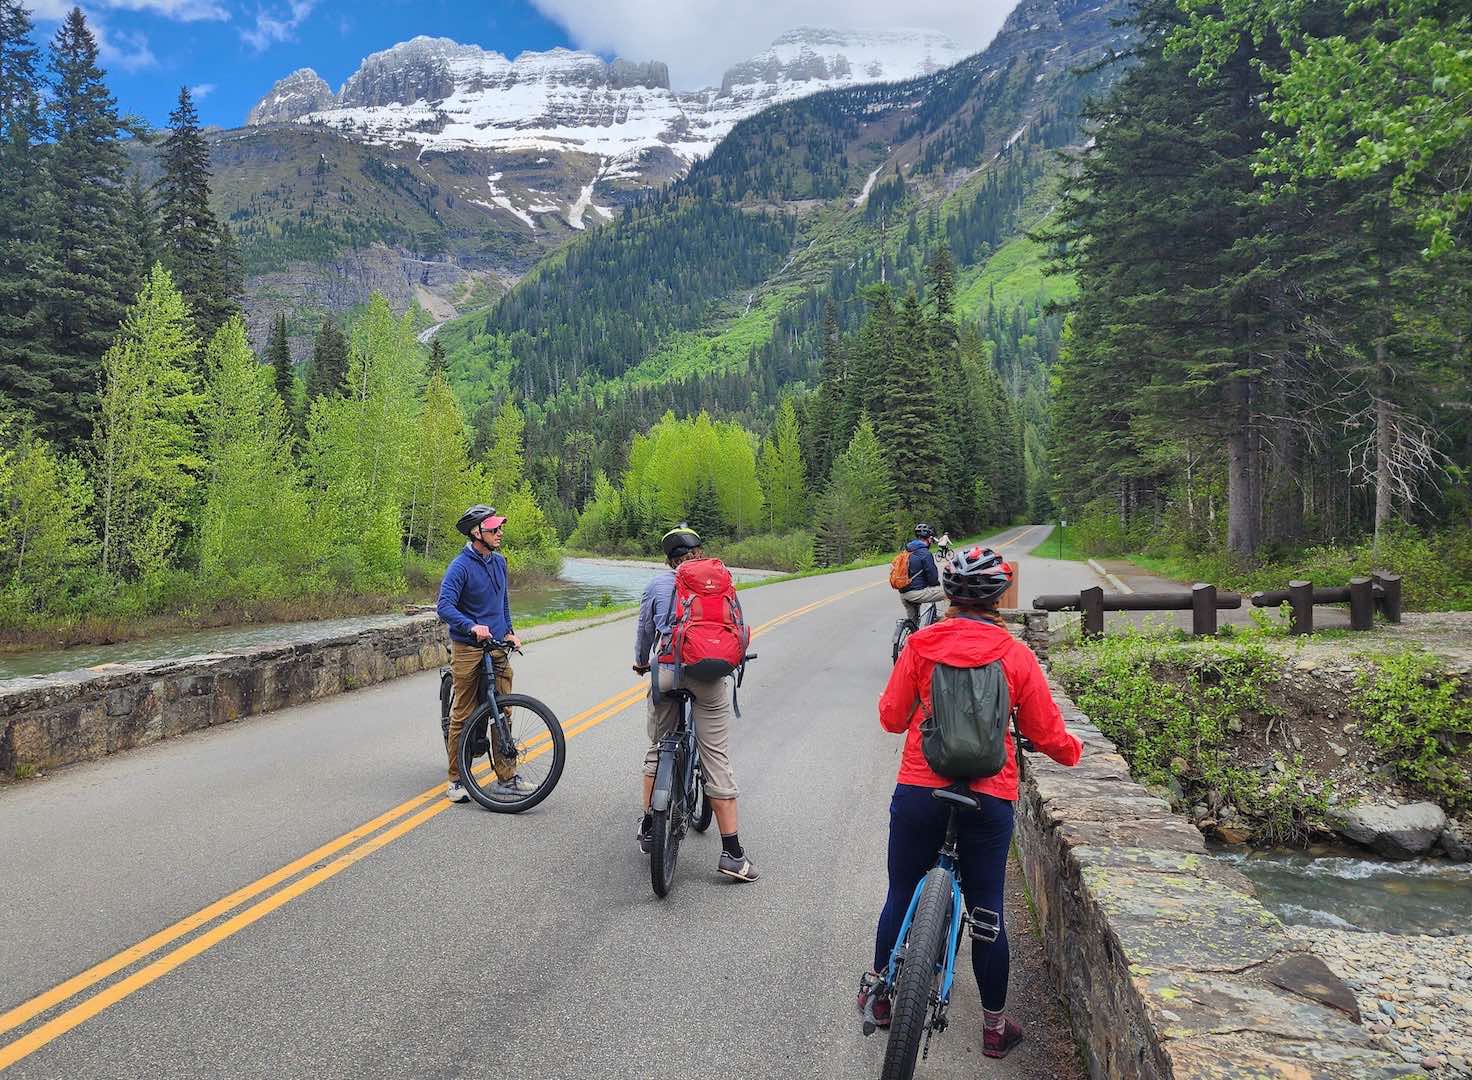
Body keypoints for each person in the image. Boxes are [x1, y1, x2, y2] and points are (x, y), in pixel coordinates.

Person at [859, 545, 1082, 1059]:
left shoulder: (920, 644)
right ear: (998, 599)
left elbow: (892, 719)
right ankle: (994, 1027)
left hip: (920, 788)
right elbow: (1045, 732)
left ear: (949, 595)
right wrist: (1074, 752)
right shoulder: (1016, 655)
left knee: (901, 891)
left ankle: (879, 994)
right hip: (989, 794)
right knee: (988, 912)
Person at [632, 525, 757, 882]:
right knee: (716, 756)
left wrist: (642, 662)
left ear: (667, 560)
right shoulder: (720, 581)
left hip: (668, 673)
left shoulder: (656, 585)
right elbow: (739, 628)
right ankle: (733, 855)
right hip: (708, 673)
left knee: (657, 747)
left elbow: (644, 633)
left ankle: (650, 826)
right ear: (699, 554)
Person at [436, 504, 527, 804]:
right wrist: (472, 626)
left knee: (503, 711)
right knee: (462, 713)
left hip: (498, 645)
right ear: (477, 533)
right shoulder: (460, 566)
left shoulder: (499, 562)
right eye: (494, 529)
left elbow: (503, 601)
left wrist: (510, 631)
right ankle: (456, 779)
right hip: (468, 647)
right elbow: (444, 606)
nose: (500, 533)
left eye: (500, 528)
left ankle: (507, 777)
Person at [898, 523, 947, 625]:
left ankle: (909, 634)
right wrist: (936, 585)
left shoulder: (906, 550)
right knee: (949, 594)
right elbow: (932, 578)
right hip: (916, 593)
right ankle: (947, 622)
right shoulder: (925, 553)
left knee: (914, 624)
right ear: (929, 539)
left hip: (903, 593)